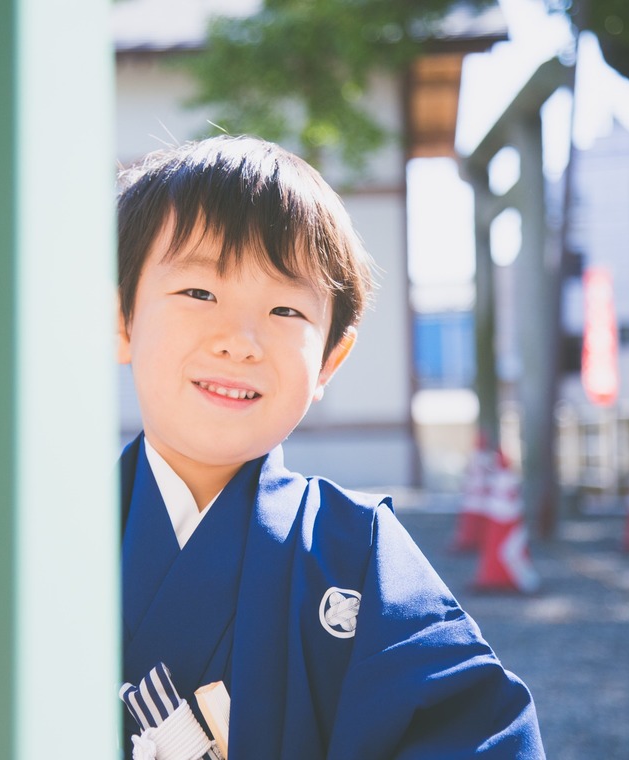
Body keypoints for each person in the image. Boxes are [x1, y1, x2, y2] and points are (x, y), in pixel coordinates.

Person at [117, 135, 544, 759]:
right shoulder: (45, 543)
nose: (239, 341)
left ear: (329, 361)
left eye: (286, 310)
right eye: (199, 293)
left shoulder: (355, 551)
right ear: (120, 319)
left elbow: (477, 735)